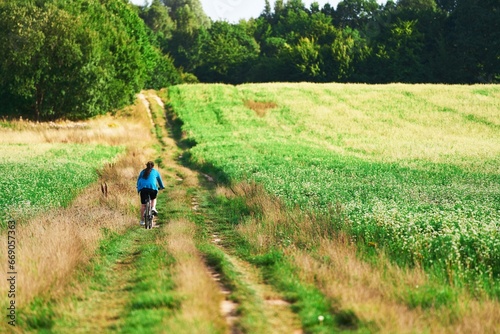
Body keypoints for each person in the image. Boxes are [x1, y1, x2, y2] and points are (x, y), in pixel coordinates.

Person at [137, 161, 165, 226]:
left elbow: (138, 180)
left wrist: (138, 187)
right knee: (153, 198)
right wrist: (161, 187)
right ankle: (153, 208)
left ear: (146, 165)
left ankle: (142, 221)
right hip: (153, 188)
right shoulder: (155, 172)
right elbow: (159, 181)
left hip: (143, 189)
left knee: (143, 205)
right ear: (153, 166)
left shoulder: (142, 172)